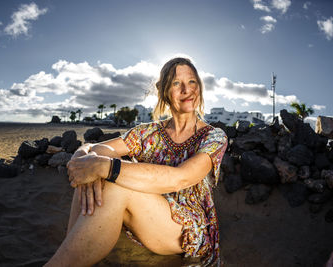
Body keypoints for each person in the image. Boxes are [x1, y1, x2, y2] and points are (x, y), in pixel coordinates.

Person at [45, 57, 228, 267]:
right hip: (147, 217)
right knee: (93, 173)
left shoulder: (213, 137)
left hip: (187, 228)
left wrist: (103, 166)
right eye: (177, 83)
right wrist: (83, 154)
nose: (187, 90)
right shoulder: (148, 133)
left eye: (192, 82)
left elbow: (181, 178)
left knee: (112, 182)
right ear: (164, 91)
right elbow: (100, 149)